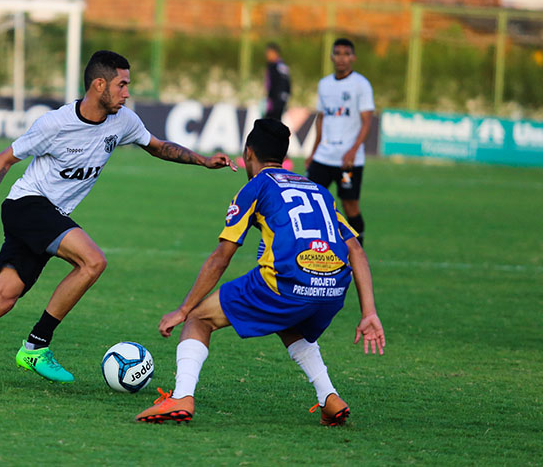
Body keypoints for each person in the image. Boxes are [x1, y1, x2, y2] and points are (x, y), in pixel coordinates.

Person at [0, 50, 237, 392]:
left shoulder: (123, 121)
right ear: (99, 85)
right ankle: (36, 345)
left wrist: (202, 161)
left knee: (2, 299)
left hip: (49, 215)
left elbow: (157, 146)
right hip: (27, 206)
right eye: (121, 85)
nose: (127, 93)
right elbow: (4, 159)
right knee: (93, 261)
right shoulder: (56, 124)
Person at [135, 119, 385, 425]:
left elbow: (221, 258)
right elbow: (356, 250)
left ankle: (181, 397)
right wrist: (368, 312)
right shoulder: (318, 189)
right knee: (289, 320)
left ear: (247, 153)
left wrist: (183, 309)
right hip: (332, 288)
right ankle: (329, 397)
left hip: (288, 281)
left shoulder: (256, 187)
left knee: (199, 319)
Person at [306, 38, 374, 245]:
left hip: (348, 159)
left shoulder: (361, 85)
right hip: (323, 156)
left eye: (346, 53)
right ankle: (313, 250)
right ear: (331, 57)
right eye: (337, 53)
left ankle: (357, 253)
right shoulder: (324, 84)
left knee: (350, 205)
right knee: (310, 201)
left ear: (353, 57)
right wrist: (313, 151)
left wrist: (353, 150)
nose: (341, 58)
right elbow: (321, 118)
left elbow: (367, 121)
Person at [264, 42, 290, 121]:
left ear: (274, 53)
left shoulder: (280, 66)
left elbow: (285, 84)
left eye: (268, 53)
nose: (267, 55)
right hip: (272, 100)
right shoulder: (271, 65)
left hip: (276, 101)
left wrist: (280, 100)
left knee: (273, 123)